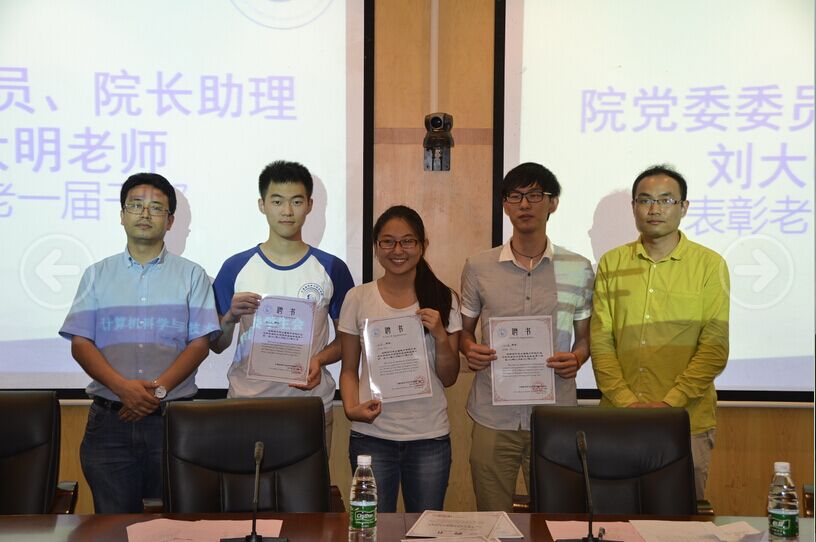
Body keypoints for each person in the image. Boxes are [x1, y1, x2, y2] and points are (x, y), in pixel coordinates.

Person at [59, 172, 220, 513]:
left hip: (174, 419)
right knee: (113, 525)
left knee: (176, 526)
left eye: (156, 207)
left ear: (170, 220)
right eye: (136, 205)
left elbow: (200, 344)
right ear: (122, 215)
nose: (145, 214)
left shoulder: (193, 275)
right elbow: (81, 342)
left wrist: (155, 392)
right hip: (110, 423)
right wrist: (123, 389)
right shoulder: (97, 274)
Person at [460, 162, 595, 512]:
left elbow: (585, 338)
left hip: (554, 415)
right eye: (515, 196)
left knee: (557, 518)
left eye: (535, 195)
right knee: (493, 520)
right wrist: (470, 349)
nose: (524, 204)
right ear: (505, 205)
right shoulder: (478, 266)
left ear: (553, 203)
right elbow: (464, 333)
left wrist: (577, 358)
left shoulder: (578, 267)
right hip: (493, 415)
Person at [590, 164, 729, 500]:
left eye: (666, 200)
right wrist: (626, 401)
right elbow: (601, 340)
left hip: (685, 423)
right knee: (615, 516)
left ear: (684, 207)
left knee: (679, 520)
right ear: (634, 207)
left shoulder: (709, 265)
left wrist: (669, 404)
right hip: (618, 420)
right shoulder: (612, 263)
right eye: (645, 200)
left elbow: (714, 348)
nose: (654, 209)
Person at [211, 160, 354, 450]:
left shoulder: (332, 268)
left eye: (296, 201)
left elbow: (348, 341)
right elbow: (217, 344)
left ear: (310, 205)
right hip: (246, 405)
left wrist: (319, 360)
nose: (287, 211)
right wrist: (230, 318)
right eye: (277, 201)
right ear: (262, 205)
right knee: (247, 482)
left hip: (310, 406)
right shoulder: (236, 267)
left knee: (308, 483)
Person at [338, 205, 461, 512]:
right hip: (372, 437)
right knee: (373, 527)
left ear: (422, 245)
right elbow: (349, 369)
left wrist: (440, 336)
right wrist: (352, 409)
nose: (397, 250)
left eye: (407, 241)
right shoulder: (358, 298)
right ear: (376, 246)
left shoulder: (444, 298)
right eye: (388, 241)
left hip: (429, 437)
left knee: (425, 529)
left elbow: (449, 378)